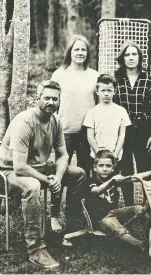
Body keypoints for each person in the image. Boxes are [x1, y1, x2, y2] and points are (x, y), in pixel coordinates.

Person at [0, 80, 86, 268]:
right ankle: (35, 249)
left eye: (55, 99)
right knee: (33, 186)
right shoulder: (24, 122)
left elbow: (63, 154)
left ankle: (71, 230)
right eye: (47, 98)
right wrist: (46, 180)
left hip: (36, 169)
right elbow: (19, 167)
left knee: (78, 173)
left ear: (59, 101)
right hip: (5, 174)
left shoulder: (55, 121)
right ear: (37, 98)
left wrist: (57, 177)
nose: (51, 102)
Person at [65, 149, 147, 252]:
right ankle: (141, 245)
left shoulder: (114, 179)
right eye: (101, 165)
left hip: (114, 213)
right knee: (118, 228)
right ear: (95, 167)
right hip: (100, 220)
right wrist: (112, 181)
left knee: (140, 209)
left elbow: (135, 178)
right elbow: (96, 191)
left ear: (113, 169)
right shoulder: (90, 181)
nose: (105, 169)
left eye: (108, 166)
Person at [114, 40, 151, 207]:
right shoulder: (117, 80)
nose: (131, 58)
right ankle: (129, 207)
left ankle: (148, 208)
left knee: (145, 170)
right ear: (122, 58)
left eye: (134, 54)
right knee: (125, 170)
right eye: (127, 54)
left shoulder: (148, 80)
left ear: (139, 58)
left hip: (144, 130)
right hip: (123, 130)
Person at [50, 34, 99, 180]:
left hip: (87, 132)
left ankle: (79, 202)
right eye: (76, 49)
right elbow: (52, 104)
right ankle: (56, 202)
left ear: (88, 53)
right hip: (64, 131)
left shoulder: (95, 75)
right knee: (61, 169)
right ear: (69, 52)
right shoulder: (58, 75)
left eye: (83, 50)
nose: (80, 53)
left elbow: (98, 104)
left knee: (85, 170)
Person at [83, 74, 132, 165]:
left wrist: (115, 154)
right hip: (97, 155)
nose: (106, 93)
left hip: (115, 155)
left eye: (109, 90)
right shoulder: (92, 112)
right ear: (97, 92)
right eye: (103, 90)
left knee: (115, 178)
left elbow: (122, 135)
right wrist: (99, 154)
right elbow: (90, 136)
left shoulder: (121, 111)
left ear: (114, 91)